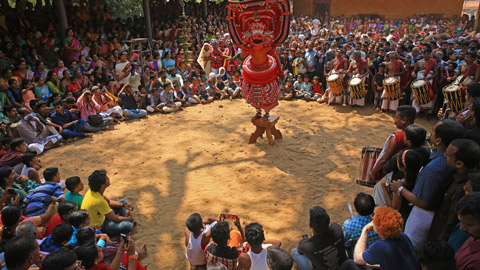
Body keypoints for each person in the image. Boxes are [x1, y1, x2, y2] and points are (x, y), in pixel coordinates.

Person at [391, 119, 465, 246]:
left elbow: (423, 202)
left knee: (410, 246)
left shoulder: (435, 168)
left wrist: (400, 189)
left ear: (438, 140)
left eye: (433, 132)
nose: (430, 134)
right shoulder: (451, 160)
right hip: (433, 214)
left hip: (422, 216)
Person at [429, 139, 480, 241]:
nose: (444, 155)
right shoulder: (459, 176)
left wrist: (440, 243)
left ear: (459, 164)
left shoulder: (464, 189)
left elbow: (451, 222)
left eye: (448, 155)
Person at [353, 206, 421, 269]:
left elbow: (357, 259)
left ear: (378, 228)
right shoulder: (403, 236)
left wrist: (365, 230)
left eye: (374, 220)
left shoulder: (380, 246)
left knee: (349, 263)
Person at [367, 105, 416, 186]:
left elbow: (384, 159)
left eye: (396, 118)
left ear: (404, 120)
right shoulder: (419, 135)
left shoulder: (397, 137)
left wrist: (373, 172)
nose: (394, 120)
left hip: (393, 175)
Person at [81, 169, 134, 236]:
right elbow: (115, 219)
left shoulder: (92, 191)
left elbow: (108, 202)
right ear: (102, 185)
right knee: (128, 225)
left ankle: (122, 217)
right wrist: (129, 219)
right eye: (106, 178)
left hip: (103, 216)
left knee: (122, 202)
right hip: (101, 226)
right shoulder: (99, 201)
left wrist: (123, 205)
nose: (108, 178)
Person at [454, 192, 480, 270]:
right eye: (461, 222)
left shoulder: (476, 263)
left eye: (469, 225)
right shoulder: (475, 236)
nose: (462, 228)